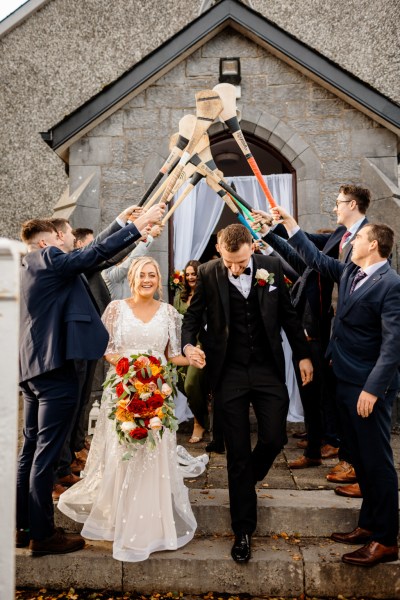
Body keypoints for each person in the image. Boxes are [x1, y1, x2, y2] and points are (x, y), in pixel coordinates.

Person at [16, 204, 164, 556]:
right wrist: (137, 226)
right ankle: (43, 533)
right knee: (45, 456)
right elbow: (90, 254)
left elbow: (90, 258)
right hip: (55, 371)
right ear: (44, 244)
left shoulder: (27, 267)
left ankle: (21, 527)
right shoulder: (48, 259)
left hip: (32, 369)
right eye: (58, 239)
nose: (64, 243)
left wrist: (122, 223)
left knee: (29, 453)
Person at [272, 205, 400, 567]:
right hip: (342, 380)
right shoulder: (349, 273)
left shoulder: (391, 285)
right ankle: (367, 525)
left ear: (373, 244)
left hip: (367, 389)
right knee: (358, 459)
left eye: (358, 238)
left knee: (377, 464)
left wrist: (373, 390)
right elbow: (313, 256)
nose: (351, 241)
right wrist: (289, 224)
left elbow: (393, 346)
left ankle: (386, 539)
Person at [181, 224, 313, 563]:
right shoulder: (210, 272)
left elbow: (288, 315)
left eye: (240, 262)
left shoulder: (271, 267)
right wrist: (187, 345)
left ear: (252, 247)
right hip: (229, 371)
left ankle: (248, 476)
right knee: (237, 452)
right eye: (229, 262)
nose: (234, 268)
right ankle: (242, 531)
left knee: (273, 438)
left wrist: (303, 354)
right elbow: (193, 317)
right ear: (220, 252)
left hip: (267, 368)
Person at [58, 257, 197, 562]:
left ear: (158, 280)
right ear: (132, 278)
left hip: (157, 392)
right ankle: (118, 517)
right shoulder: (116, 309)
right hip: (123, 387)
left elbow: (172, 356)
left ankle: (152, 521)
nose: (147, 279)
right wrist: (131, 369)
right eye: (141, 274)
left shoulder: (170, 314)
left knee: (151, 452)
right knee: (123, 449)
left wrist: (195, 357)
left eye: (152, 275)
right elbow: (106, 349)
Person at [174, 260, 209, 443]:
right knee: (183, 385)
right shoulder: (180, 294)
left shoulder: (207, 293)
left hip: (199, 344)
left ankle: (199, 423)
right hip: (182, 344)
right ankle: (203, 417)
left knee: (191, 384)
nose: (190, 277)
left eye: (193, 273)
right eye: (187, 274)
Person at [102, 224, 163, 300]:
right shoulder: (108, 273)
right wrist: (150, 236)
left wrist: (144, 237)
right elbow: (132, 259)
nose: (126, 252)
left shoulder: (129, 268)